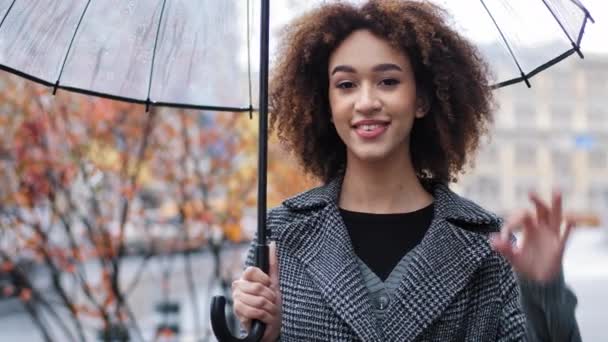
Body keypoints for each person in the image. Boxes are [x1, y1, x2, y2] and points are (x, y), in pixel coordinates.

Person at [231, 1, 580, 341]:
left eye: (388, 81)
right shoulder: (279, 235)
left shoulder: (488, 243)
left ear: (423, 100)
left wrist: (544, 292)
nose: (366, 102)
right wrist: (266, 336)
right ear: (327, 103)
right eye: (346, 85)